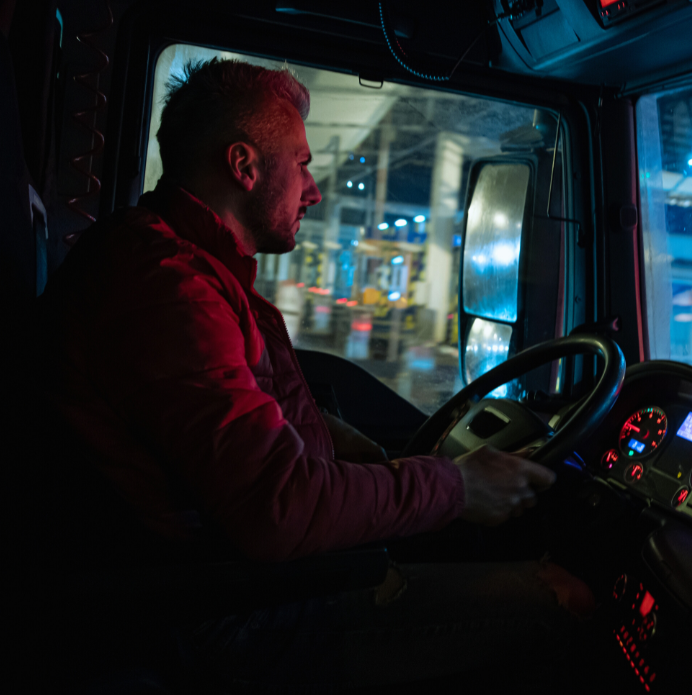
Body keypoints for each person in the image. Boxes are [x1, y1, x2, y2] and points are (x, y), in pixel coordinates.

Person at [40, 58, 592, 691]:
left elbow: (234, 412)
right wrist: (457, 489)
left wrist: (339, 444)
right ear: (243, 166)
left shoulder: (186, 268)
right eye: (301, 164)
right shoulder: (168, 291)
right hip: (223, 613)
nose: (315, 189)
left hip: (234, 580)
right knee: (564, 599)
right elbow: (278, 510)